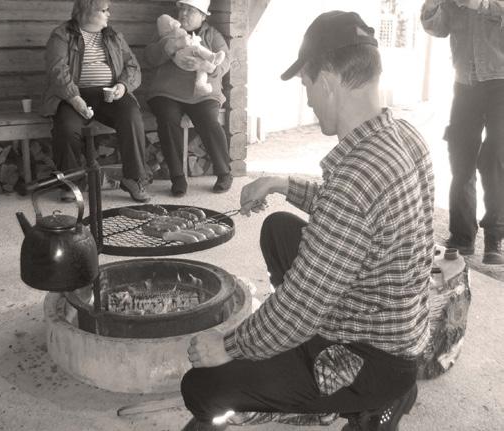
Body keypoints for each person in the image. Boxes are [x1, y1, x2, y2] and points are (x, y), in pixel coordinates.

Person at [180, 11, 435, 431]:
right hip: (399, 329)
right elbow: (355, 218)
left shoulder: (356, 177)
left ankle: (374, 402)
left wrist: (227, 345)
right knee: (279, 228)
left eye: (307, 86)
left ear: (330, 82)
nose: (310, 99)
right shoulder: (403, 136)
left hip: (368, 358)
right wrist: (281, 182)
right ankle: (356, 376)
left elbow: (298, 310)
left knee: (202, 387)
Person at [41, 0, 150, 202]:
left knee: (132, 116)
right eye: (104, 10)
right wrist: (74, 99)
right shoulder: (62, 34)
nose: (109, 14)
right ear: (87, 12)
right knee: (66, 127)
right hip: (73, 94)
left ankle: (134, 179)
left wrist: (123, 86)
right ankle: (71, 182)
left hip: (110, 94)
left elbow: (132, 65)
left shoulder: (113, 36)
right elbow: (57, 70)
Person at [421, 0, 504, 264]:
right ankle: (462, 237)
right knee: (461, 159)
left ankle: (495, 237)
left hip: (500, 81)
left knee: (494, 159)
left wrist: (479, 4)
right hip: (464, 83)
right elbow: (436, 28)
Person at [144, 0, 232, 197]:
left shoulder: (212, 35)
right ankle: (177, 177)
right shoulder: (168, 31)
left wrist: (211, 68)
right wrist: (170, 47)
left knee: (209, 120)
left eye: (190, 10)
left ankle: (224, 172)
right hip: (166, 91)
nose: (183, 13)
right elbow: (149, 58)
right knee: (167, 118)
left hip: (203, 92)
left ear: (203, 15)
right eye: (181, 8)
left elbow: (224, 60)